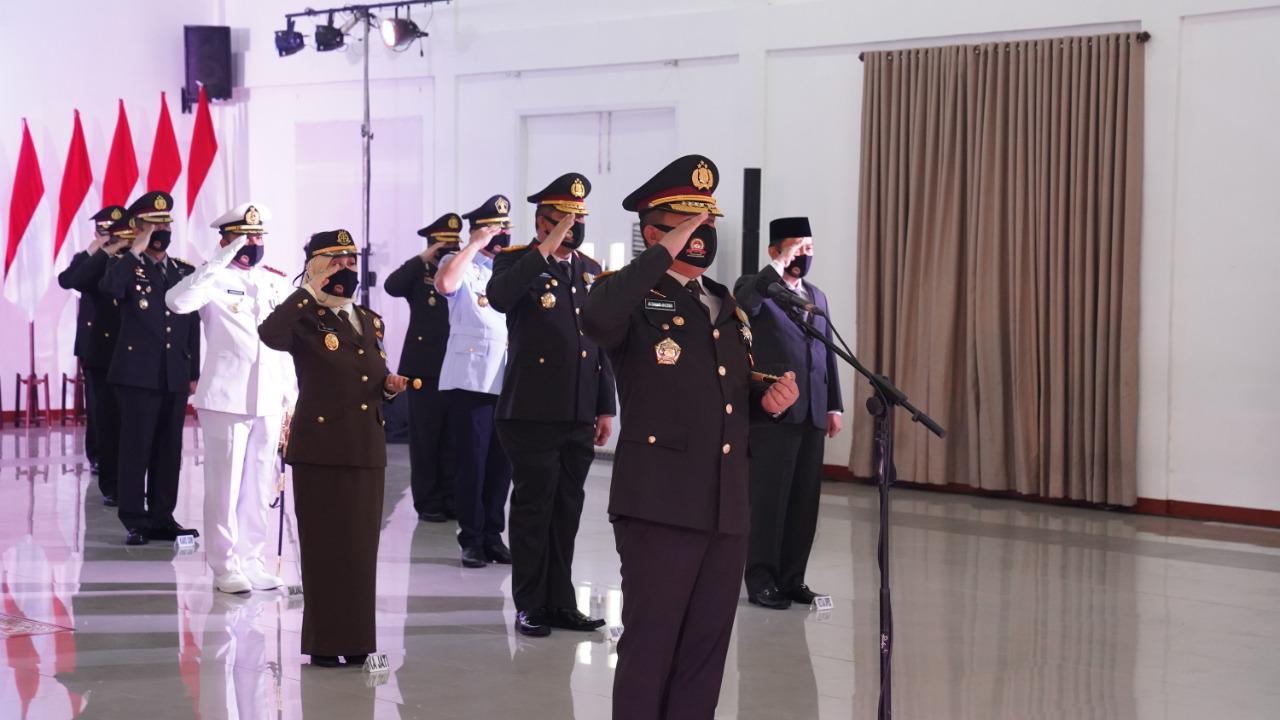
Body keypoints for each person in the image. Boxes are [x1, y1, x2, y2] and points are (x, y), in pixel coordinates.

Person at [582, 154, 800, 719]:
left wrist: (767, 401)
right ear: (654, 234)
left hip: (725, 505)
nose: (702, 235)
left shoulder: (726, 305)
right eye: (687, 224)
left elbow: (728, 398)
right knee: (651, 645)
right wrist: (658, 256)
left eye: (707, 224)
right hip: (659, 503)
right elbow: (596, 320)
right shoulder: (629, 297)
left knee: (705, 649)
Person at [257, 228, 408, 668]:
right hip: (321, 449)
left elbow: (368, 377)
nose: (345, 269)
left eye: (349, 261)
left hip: (365, 447)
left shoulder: (369, 319)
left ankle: (358, 640)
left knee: (360, 550)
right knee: (325, 549)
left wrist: (389, 386)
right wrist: (308, 289)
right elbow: (270, 334)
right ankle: (325, 643)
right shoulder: (303, 315)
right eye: (334, 262)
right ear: (315, 266)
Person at [486, 173, 616, 637]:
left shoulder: (591, 269)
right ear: (542, 221)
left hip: (578, 410)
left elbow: (599, 342)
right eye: (563, 219)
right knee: (533, 510)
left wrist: (605, 406)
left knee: (567, 510)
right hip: (532, 411)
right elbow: (500, 298)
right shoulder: (515, 261)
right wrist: (545, 247)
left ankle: (561, 602)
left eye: (579, 218)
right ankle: (530, 604)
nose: (573, 227)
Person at [166, 203, 298, 594]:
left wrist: (291, 398)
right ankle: (225, 566)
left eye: (258, 236)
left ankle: (252, 559)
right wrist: (218, 261)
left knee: (259, 484)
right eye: (245, 236)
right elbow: (177, 302)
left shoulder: (274, 282)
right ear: (226, 239)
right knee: (224, 486)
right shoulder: (211, 279)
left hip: (268, 397)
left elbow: (286, 347)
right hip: (226, 397)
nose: (253, 243)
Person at [733, 217, 843, 610]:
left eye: (809, 248)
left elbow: (826, 352)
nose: (804, 255)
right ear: (775, 250)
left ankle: (793, 578)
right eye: (797, 247)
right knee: (769, 501)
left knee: (803, 502)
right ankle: (761, 580)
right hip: (774, 412)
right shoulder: (757, 287)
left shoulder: (816, 296)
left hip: (812, 411)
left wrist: (833, 405)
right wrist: (778, 266)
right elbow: (745, 304)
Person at [99, 191, 201, 546]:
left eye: (166, 224)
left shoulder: (183, 271)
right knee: (136, 449)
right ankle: (135, 520)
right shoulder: (125, 266)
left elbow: (191, 324)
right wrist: (135, 251)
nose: (162, 231)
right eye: (154, 225)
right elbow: (110, 289)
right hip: (137, 374)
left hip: (174, 373)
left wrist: (193, 371)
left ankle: (162, 517)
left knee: (169, 450)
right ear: (140, 228)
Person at [434, 196, 514, 569]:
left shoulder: (510, 269)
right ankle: (471, 538)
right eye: (495, 229)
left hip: (508, 379)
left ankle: (493, 535)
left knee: (501, 466)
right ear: (480, 231)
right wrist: (474, 245)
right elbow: (445, 283)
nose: (502, 235)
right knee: (472, 463)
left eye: (506, 228)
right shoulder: (461, 264)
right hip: (471, 380)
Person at [384, 212, 460, 523]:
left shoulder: (461, 270)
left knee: (453, 439)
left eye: (454, 243)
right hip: (424, 370)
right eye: (443, 245)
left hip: (457, 367)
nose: (450, 249)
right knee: (426, 439)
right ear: (432, 244)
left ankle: (452, 499)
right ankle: (428, 501)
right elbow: (392, 286)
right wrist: (423, 258)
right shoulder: (420, 272)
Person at [57, 205, 128, 499]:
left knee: (123, 407)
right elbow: (68, 280)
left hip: (123, 343)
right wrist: (94, 249)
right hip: (95, 344)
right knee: (98, 407)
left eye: (114, 230)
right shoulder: (89, 259)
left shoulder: (128, 257)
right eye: (103, 230)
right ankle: (97, 454)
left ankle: (123, 458)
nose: (109, 235)